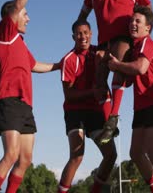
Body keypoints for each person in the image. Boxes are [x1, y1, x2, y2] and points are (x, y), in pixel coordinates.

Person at [0, 0, 59, 193]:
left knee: (25, 159)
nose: (28, 18)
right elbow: (18, 4)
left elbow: (35, 65)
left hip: (25, 105)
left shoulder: (20, 43)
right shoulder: (4, 34)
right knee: (11, 154)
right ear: (13, 16)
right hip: (8, 100)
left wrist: (60, 65)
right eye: (25, 14)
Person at [77, 0, 152, 144]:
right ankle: (109, 124)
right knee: (99, 81)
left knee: (116, 66)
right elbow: (83, 15)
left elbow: (148, 7)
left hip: (123, 38)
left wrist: (145, 33)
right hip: (103, 41)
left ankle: (114, 116)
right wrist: (81, 32)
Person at [108, 5, 153, 193]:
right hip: (142, 106)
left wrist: (118, 65)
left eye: (138, 21)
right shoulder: (134, 48)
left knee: (152, 150)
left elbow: (140, 68)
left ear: (148, 28)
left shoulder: (147, 43)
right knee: (135, 153)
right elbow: (129, 78)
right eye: (131, 20)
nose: (133, 24)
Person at [57, 20, 117, 193]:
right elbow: (68, 95)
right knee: (77, 156)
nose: (82, 36)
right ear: (73, 37)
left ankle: (95, 190)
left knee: (111, 154)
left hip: (95, 112)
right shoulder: (69, 60)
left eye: (85, 32)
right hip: (75, 112)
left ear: (91, 34)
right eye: (78, 33)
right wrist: (92, 92)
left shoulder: (100, 54)